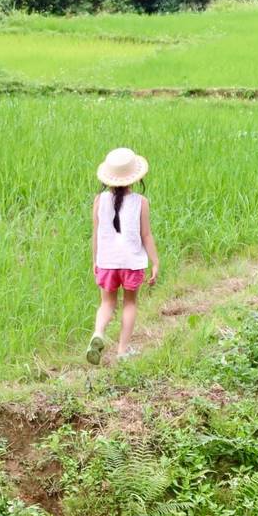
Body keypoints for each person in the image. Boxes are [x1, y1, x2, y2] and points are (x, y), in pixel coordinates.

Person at [86, 147, 159, 365]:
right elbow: (146, 235)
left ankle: (98, 333)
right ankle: (122, 351)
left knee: (106, 304)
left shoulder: (99, 200)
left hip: (107, 261)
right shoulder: (141, 202)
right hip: (132, 262)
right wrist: (155, 262)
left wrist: (95, 261)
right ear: (134, 178)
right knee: (129, 304)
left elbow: (96, 234)